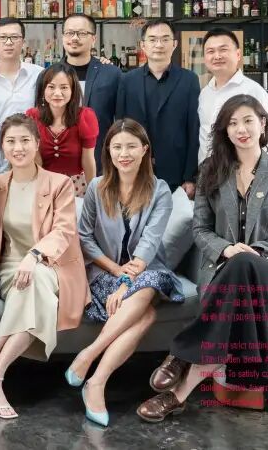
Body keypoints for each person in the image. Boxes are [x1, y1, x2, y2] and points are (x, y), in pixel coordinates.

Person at [137, 94, 268, 423]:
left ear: (263, 124)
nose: (241, 129)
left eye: (248, 121)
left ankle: (181, 354)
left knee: (245, 264)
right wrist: (227, 249)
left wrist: (255, 252)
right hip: (224, 270)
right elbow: (200, 229)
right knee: (238, 278)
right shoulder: (211, 171)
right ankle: (178, 395)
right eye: (233, 123)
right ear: (225, 131)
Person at [0, 114, 86, 419]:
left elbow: (64, 230)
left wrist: (34, 256)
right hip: (9, 266)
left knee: (37, 281)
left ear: (37, 144)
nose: (18, 148)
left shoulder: (59, 183)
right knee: (36, 295)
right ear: (3, 147)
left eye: (25, 140)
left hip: (53, 265)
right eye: (11, 141)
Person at [67, 119, 184, 427]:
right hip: (103, 271)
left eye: (131, 146)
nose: (124, 154)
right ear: (108, 151)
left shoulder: (160, 190)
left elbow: (149, 244)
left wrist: (124, 283)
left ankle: (88, 357)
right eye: (117, 147)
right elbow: (84, 237)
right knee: (146, 315)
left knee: (148, 285)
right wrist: (115, 271)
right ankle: (96, 383)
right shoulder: (97, 187)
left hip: (145, 271)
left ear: (145, 150)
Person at [116, 19, 200, 196]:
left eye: (165, 39)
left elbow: (193, 129)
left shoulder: (189, 80)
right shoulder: (127, 80)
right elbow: (120, 127)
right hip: (135, 169)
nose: (159, 45)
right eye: (153, 39)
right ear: (143, 45)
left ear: (174, 44)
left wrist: (190, 177)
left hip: (176, 172)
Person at [197, 27, 268, 163]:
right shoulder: (204, 93)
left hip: (242, 172)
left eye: (223, 50)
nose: (217, 56)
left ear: (238, 54)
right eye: (210, 51)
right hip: (208, 171)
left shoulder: (253, 92)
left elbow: (265, 140)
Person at [25, 62, 99, 196]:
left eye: (64, 87)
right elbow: (35, 159)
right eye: (51, 87)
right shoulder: (32, 116)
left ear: (73, 91)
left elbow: (88, 160)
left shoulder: (85, 116)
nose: (57, 93)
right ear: (43, 90)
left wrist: (93, 193)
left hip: (76, 185)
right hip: (43, 182)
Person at [62, 13, 121, 172]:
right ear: (63, 37)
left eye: (82, 33)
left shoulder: (111, 74)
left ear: (93, 39)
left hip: (101, 161)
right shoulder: (49, 75)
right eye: (69, 33)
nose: (74, 38)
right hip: (59, 163)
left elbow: (122, 121)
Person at [0, 18, 44, 126]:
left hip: (30, 136)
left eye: (14, 37)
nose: (8, 42)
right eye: (2, 37)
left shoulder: (38, 74)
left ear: (23, 43)